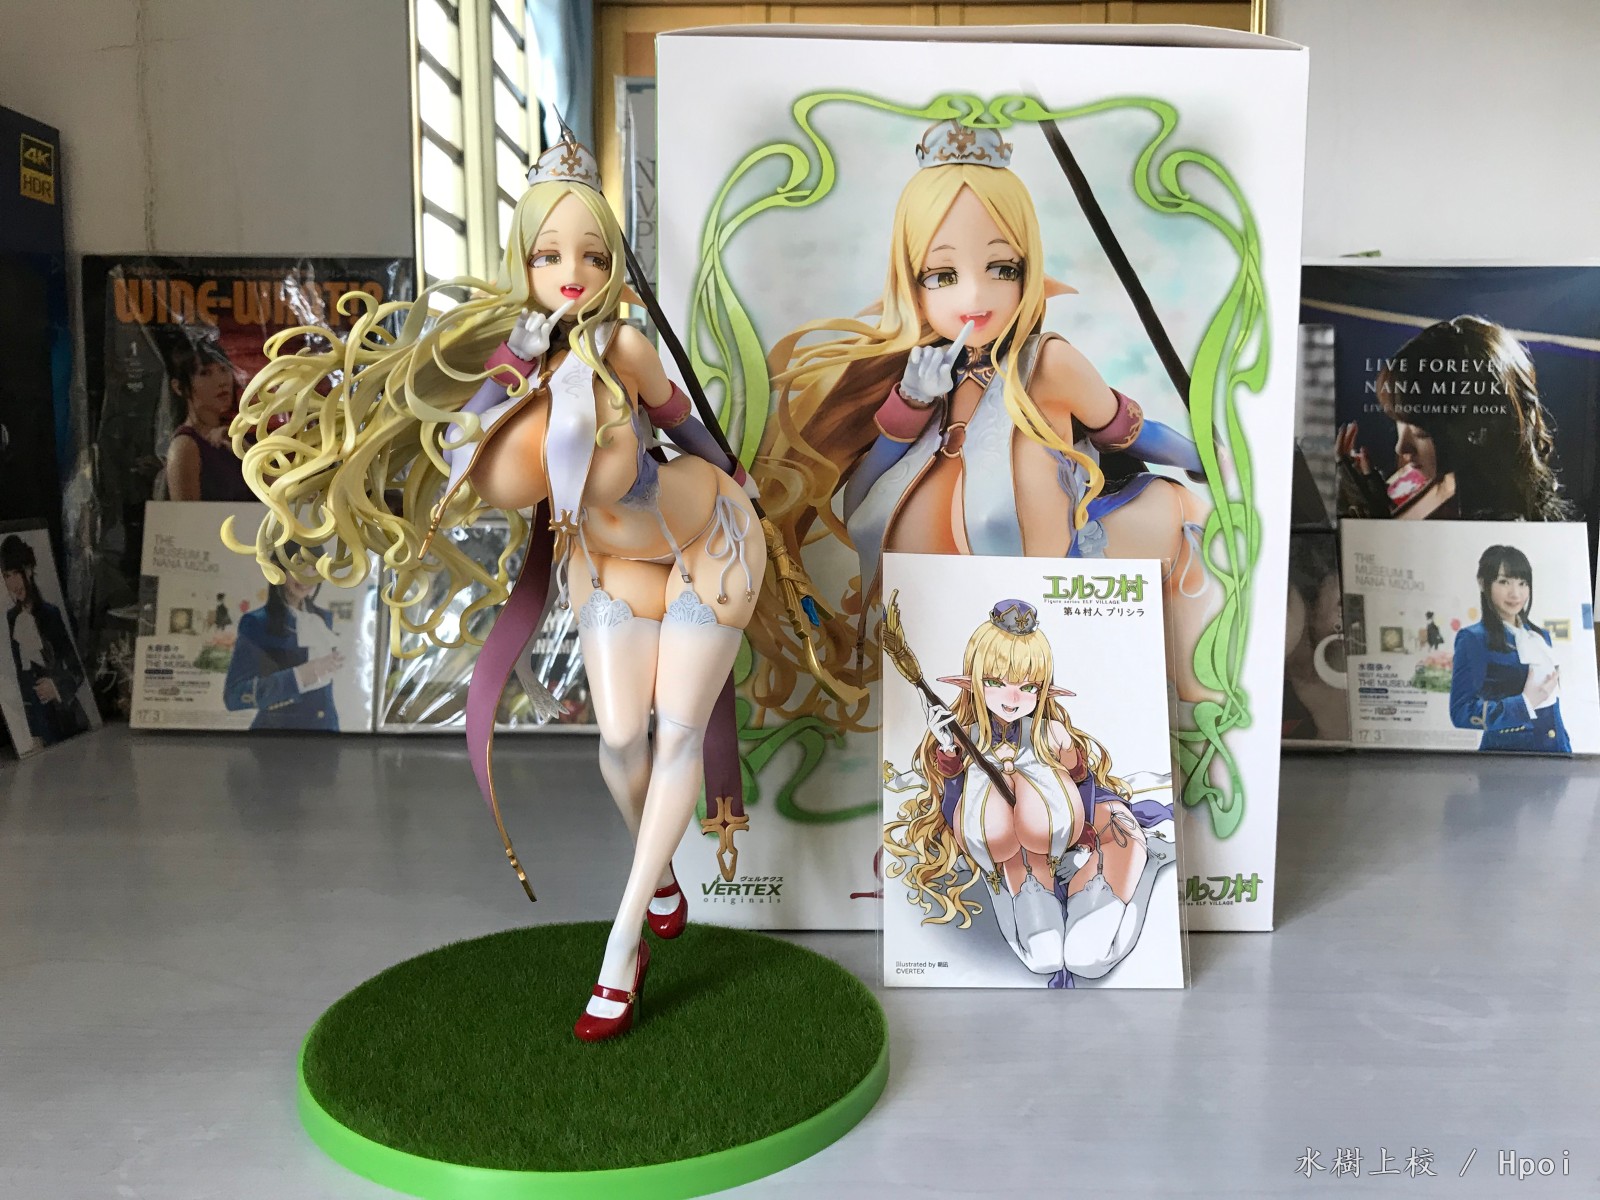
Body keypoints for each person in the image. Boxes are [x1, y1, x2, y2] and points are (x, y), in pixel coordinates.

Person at [228, 134, 762, 1042]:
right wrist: (511, 364)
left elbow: (683, 426)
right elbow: (461, 451)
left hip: (703, 540)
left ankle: (622, 946)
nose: (572, 273)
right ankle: (663, 873)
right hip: (606, 560)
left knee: (674, 736)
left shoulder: (625, 344)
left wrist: (741, 480)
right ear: (523, 261)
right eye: (550, 255)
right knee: (618, 745)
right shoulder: (516, 360)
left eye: (592, 256)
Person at [749, 119, 1223, 791]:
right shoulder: (923, 376)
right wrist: (911, 403)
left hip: (1051, 573)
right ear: (912, 282)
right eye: (943, 275)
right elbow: (863, 497)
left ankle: (1188, 721)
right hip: (946, 595)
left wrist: (1206, 456)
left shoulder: (1046, 363)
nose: (974, 297)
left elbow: (1123, 428)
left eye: (1003, 269)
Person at [884, 599, 1175, 986]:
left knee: (1088, 959)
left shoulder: (1052, 735)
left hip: (1101, 832)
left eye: (1028, 687)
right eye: (995, 682)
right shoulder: (965, 739)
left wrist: (1082, 840)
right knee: (1043, 959)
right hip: (1027, 852)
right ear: (975, 681)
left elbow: (1086, 790)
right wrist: (950, 750)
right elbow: (959, 812)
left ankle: (1149, 862)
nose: (1012, 698)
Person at [1336, 316, 1573, 521]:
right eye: (1400, 423)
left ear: (1480, 430)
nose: (1401, 447)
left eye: (1421, 432)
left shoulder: (1495, 522)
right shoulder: (1425, 484)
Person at [1448, 545, 1569, 752]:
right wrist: (1524, 703)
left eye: (1522, 583)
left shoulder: (1540, 636)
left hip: (1557, 749)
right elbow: (1461, 712)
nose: (1515, 593)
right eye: (1504, 582)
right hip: (1509, 755)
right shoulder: (1474, 639)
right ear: (1483, 583)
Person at [223, 572, 342, 732]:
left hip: (326, 733)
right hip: (278, 735)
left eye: (314, 568)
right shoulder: (257, 621)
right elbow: (234, 696)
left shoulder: (323, 618)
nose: (306, 576)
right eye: (298, 566)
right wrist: (299, 677)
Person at [2, 533, 91, 746]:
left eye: (17, 573)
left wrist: (56, 686)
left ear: (29, 570)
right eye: (6, 575)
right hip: (33, 721)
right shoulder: (11, 619)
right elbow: (18, 674)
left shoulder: (51, 614)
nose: (13, 582)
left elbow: (77, 668)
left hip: (61, 716)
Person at [163, 335, 254, 502]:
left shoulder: (234, 436)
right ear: (179, 387)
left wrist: (244, 449)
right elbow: (187, 515)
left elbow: (282, 494)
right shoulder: (185, 446)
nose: (222, 381)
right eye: (205, 373)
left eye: (224, 370)